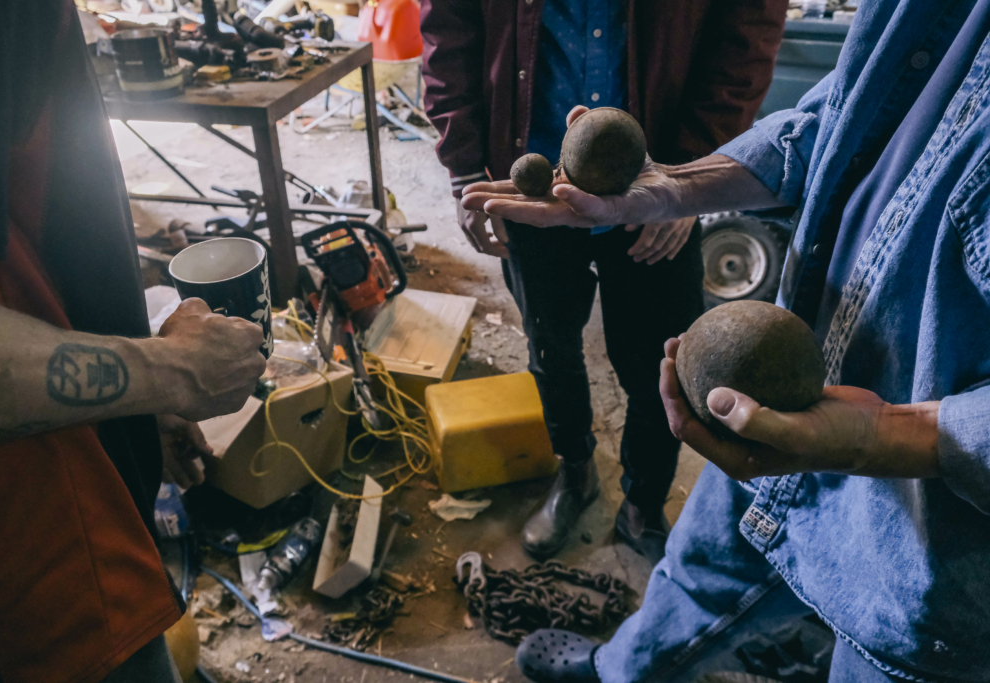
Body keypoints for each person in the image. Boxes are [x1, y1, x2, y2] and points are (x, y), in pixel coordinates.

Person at [463, 0, 990, 679]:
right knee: (704, 563)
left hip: (939, 526)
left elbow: (743, 44)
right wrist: (677, 184)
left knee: (878, 644)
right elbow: (837, 117)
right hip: (797, 368)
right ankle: (619, 670)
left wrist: (887, 435)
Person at [420, 0, 786, 561]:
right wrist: (465, 166)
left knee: (661, 363)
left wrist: (690, 178)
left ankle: (643, 500)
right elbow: (448, 34)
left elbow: (745, 37)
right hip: (531, 184)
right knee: (551, 348)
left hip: (658, 178)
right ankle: (575, 472)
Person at [0, 2, 265, 680]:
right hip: (28, 568)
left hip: (70, 480)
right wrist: (169, 371)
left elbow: (20, 251)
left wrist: (125, 402)